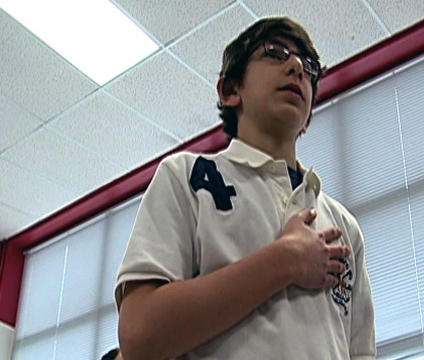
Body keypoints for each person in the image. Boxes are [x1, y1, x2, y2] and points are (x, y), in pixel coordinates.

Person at [116, 17, 375, 360]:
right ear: (230, 90)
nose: (297, 67)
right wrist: (287, 260)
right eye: (275, 53)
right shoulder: (187, 177)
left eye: (308, 66)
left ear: (309, 116)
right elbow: (140, 335)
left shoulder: (345, 226)